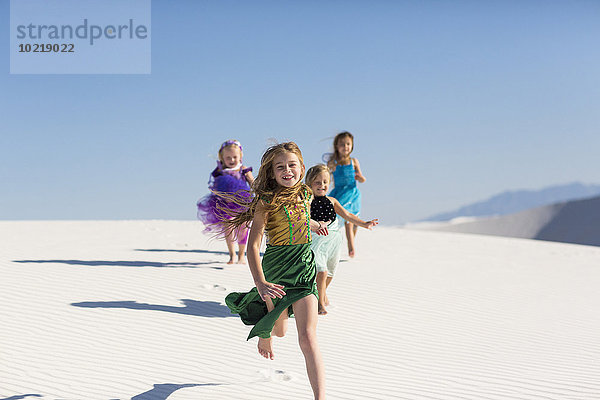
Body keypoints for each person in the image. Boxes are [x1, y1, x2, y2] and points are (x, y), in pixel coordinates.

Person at [223, 142, 328, 400]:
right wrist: (260, 282)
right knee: (280, 331)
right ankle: (266, 330)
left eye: (292, 165)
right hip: (276, 271)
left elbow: (302, 217)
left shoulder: (305, 193)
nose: (287, 170)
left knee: (307, 337)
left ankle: (320, 397)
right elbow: (254, 244)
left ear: (302, 168)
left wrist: (315, 225)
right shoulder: (266, 202)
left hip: (303, 269)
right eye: (280, 167)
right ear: (271, 173)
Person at [306, 164, 378, 315]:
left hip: (333, 243)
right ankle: (319, 303)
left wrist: (365, 224)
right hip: (317, 242)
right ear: (310, 183)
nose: (322, 185)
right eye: (317, 182)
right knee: (322, 271)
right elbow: (303, 219)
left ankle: (321, 293)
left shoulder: (332, 201)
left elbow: (348, 215)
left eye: (325, 182)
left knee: (330, 273)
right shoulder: (308, 201)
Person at [196, 140, 254, 264]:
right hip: (225, 204)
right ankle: (232, 255)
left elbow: (253, 183)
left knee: (243, 229)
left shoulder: (243, 170)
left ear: (241, 156)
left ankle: (241, 255)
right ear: (222, 157)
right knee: (228, 229)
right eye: (228, 157)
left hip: (242, 204)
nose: (232, 160)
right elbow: (214, 186)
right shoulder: (220, 171)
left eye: (235, 157)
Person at [327, 131, 366, 258]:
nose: (346, 147)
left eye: (348, 144)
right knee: (346, 217)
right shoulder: (333, 162)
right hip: (340, 193)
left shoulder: (354, 161)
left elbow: (362, 179)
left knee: (355, 220)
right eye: (342, 144)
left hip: (353, 193)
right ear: (337, 146)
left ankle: (352, 241)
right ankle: (350, 245)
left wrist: (360, 177)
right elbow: (327, 177)